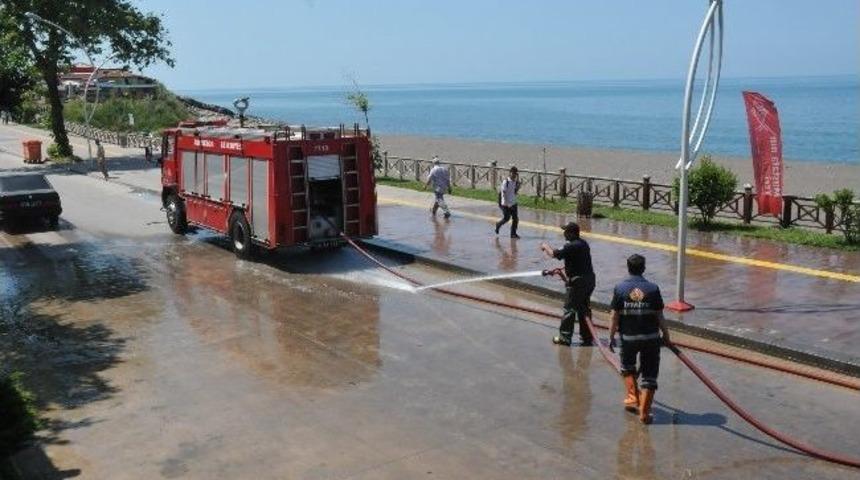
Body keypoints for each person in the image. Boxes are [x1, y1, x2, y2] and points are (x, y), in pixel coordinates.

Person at [607, 254, 671, 425]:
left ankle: (633, 399)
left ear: (628, 268)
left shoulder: (620, 288)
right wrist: (666, 336)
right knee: (649, 375)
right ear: (643, 268)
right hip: (651, 339)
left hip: (628, 339)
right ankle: (644, 412)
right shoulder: (653, 288)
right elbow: (660, 315)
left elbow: (614, 316)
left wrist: (611, 336)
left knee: (627, 369)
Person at [540, 222, 596, 347]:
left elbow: (554, 254)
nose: (564, 233)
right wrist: (562, 271)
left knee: (570, 310)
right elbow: (576, 262)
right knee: (583, 309)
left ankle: (564, 338)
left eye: (565, 231)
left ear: (571, 233)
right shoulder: (583, 244)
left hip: (578, 283)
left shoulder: (571, 245)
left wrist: (545, 246)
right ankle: (587, 337)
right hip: (589, 280)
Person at [495, 166, 520, 238]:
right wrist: (507, 204)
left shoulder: (515, 182)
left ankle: (513, 234)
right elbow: (504, 194)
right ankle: (498, 224)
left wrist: (518, 186)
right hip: (505, 204)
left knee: (515, 219)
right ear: (510, 173)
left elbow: (515, 192)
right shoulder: (506, 181)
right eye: (513, 173)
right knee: (507, 218)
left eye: (515, 173)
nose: (514, 175)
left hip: (513, 203)